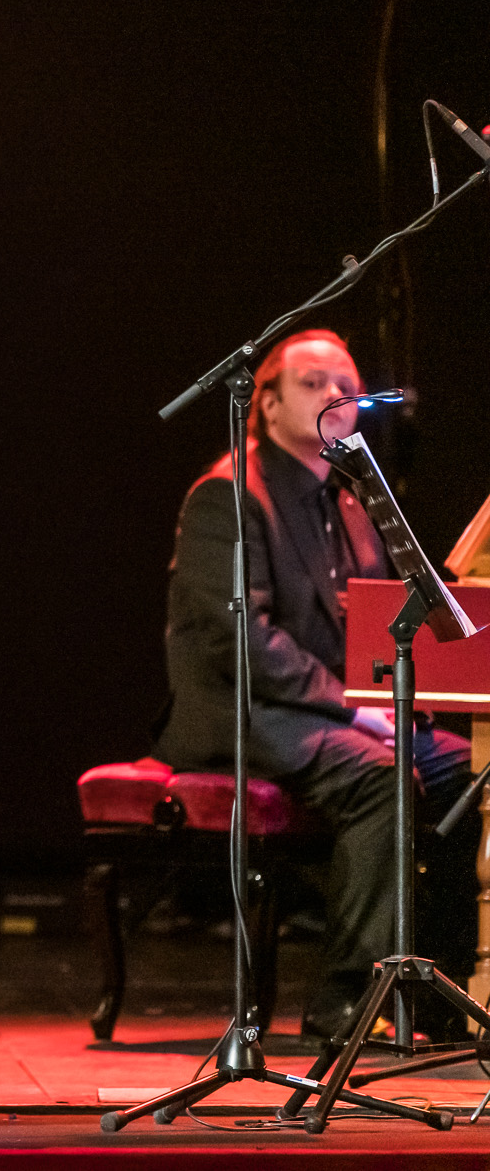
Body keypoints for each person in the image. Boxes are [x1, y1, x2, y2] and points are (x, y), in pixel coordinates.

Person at [155, 328, 476, 1042]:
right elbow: (245, 641)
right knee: (382, 773)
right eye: (312, 382)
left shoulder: (353, 497)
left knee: (460, 768)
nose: (335, 394)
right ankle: (345, 994)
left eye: (345, 382)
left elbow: (371, 622)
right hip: (247, 712)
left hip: (324, 715)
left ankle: (439, 990)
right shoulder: (228, 494)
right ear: (265, 404)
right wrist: (354, 711)